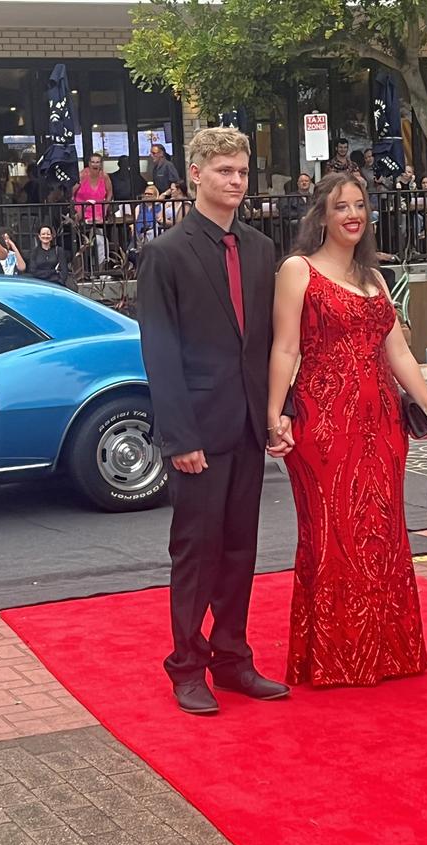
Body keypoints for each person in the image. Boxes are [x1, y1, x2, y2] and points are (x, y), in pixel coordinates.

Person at [136, 127, 291, 716]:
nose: (235, 181)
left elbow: (272, 341)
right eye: (224, 170)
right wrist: (180, 437)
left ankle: (232, 659)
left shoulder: (258, 248)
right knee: (196, 554)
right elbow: (160, 353)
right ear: (196, 174)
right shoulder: (166, 253)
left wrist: (279, 413)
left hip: (250, 427)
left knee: (239, 551)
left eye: (242, 172)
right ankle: (187, 666)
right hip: (197, 433)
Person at [267, 171, 427, 687]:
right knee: (332, 534)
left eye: (360, 205)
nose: (352, 215)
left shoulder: (374, 278)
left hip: (381, 424)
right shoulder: (298, 270)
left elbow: (398, 350)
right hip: (323, 423)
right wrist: (275, 413)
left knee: (382, 532)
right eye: (341, 207)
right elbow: (285, 348)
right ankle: (335, 658)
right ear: (321, 216)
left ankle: (387, 653)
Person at [73, 153, 113, 267]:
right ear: (89, 163)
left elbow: (110, 193)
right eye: (93, 162)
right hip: (82, 212)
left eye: (98, 162)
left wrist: (105, 208)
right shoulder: (82, 175)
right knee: (85, 241)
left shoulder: (104, 176)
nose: (95, 164)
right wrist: (77, 212)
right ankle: (83, 268)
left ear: (101, 164)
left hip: (99, 213)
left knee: (101, 241)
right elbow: (71, 192)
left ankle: (101, 268)